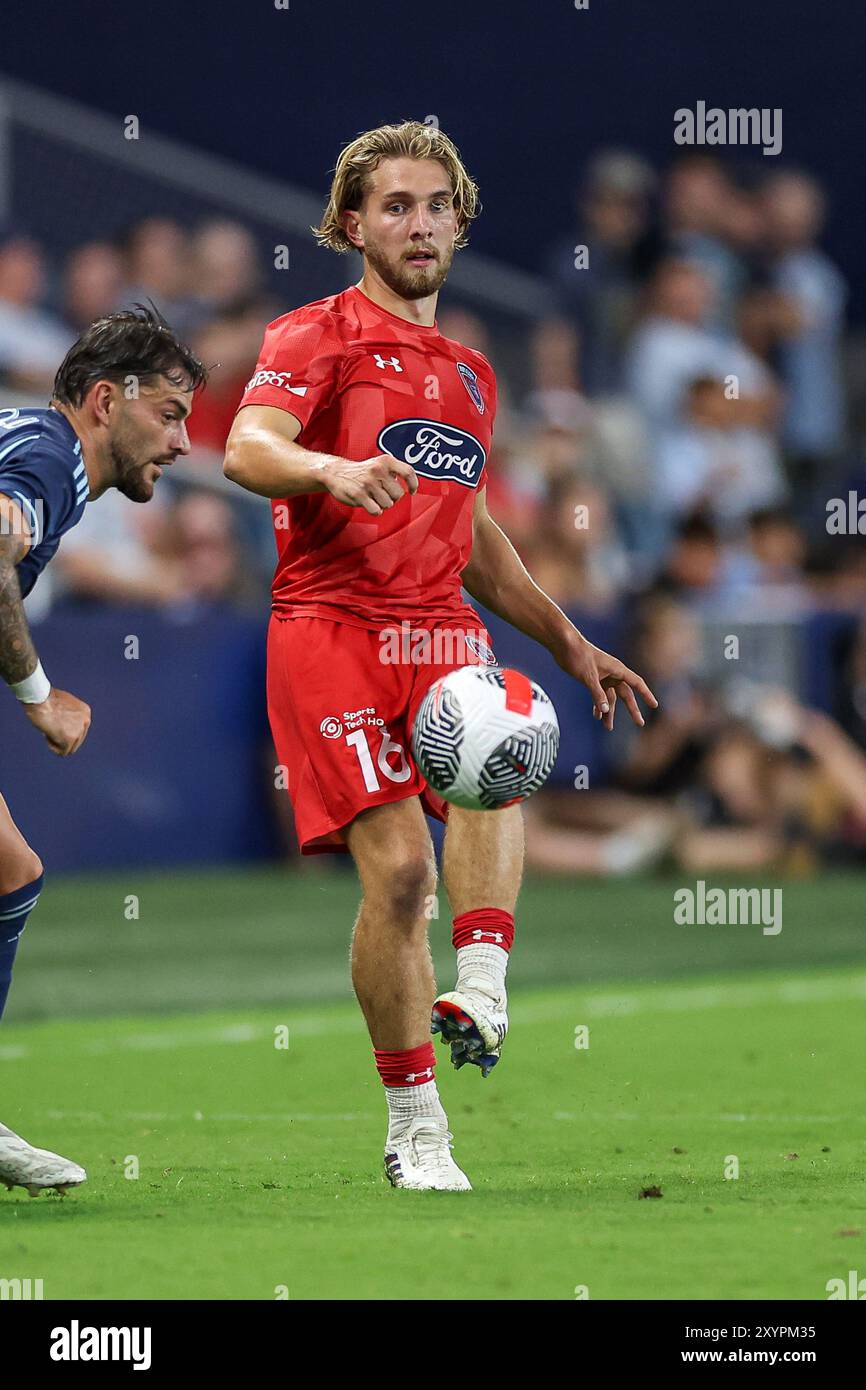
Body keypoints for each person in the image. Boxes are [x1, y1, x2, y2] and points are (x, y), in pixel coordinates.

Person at [224, 121, 656, 1192]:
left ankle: (486, 984)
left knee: (500, 744)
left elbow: (467, 534)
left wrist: (566, 637)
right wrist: (327, 470)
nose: (416, 224)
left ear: (458, 223)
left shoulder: (469, 372)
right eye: (393, 206)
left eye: (434, 206)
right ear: (349, 223)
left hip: (436, 628)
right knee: (403, 875)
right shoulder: (311, 335)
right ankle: (414, 1122)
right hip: (329, 626)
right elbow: (245, 447)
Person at [0, 305, 206, 1195]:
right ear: (102, 401)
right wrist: (40, 698)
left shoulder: (32, 440)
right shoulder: (49, 458)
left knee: (8, 870)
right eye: (169, 414)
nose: (185, 442)